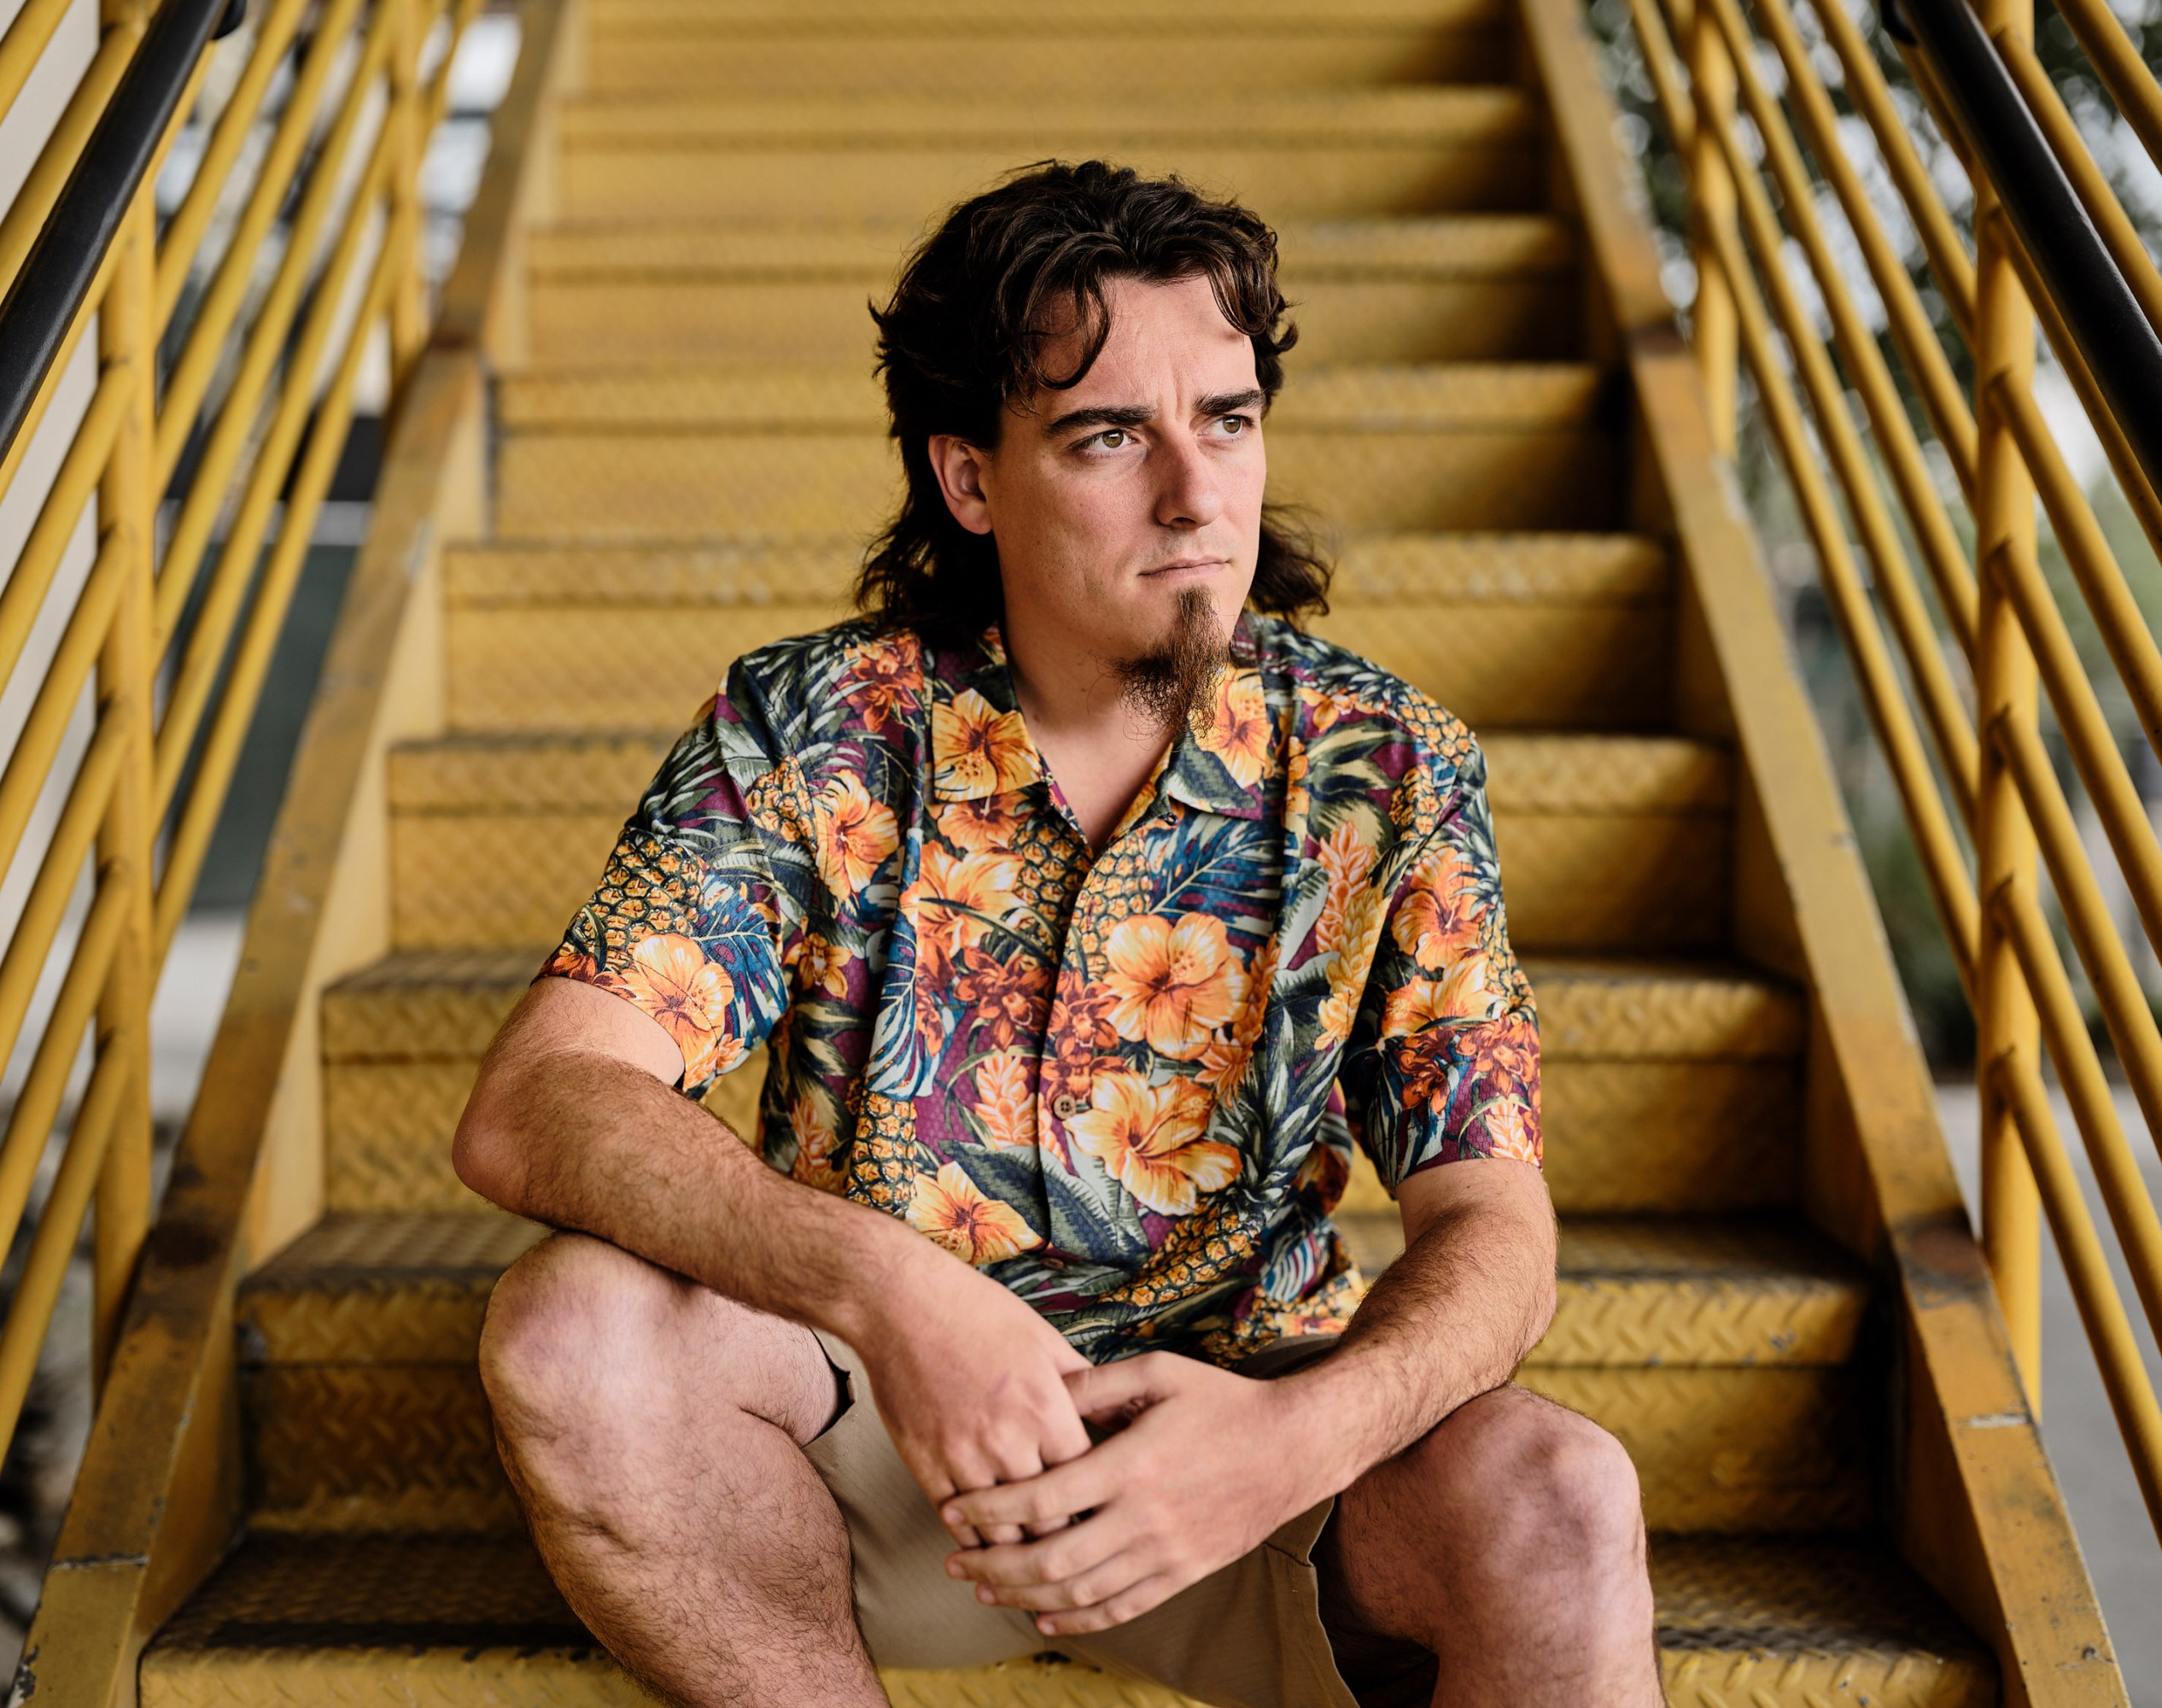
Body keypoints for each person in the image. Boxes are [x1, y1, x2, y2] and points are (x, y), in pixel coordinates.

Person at [452, 160, 1662, 1708]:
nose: (1196, 492)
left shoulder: (1386, 762)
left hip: (1241, 1473)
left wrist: (1297, 1437)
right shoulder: (818, 728)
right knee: (574, 1333)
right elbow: (536, 1104)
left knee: (1562, 1494)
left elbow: (1498, 1231)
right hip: (873, 1470)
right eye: (1109, 437)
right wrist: (889, 1296)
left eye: (1226, 419)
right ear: (971, 481)